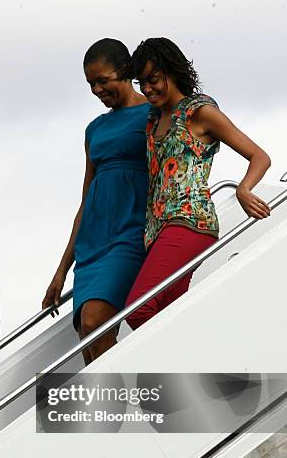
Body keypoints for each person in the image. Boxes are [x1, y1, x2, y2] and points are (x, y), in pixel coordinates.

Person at [125, 37, 271, 329]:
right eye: (142, 82)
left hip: (189, 221)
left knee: (138, 309)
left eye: (153, 79)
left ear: (172, 71)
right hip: (157, 230)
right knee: (169, 317)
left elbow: (259, 156)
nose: (147, 89)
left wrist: (244, 189)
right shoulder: (152, 121)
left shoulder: (199, 112)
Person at [42, 38, 150, 364]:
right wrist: (61, 271)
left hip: (130, 232)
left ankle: (135, 401)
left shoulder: (154, 113)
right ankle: (108, 413)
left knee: (94, 321)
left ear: (126, 71)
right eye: (91, 83)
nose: (97, 90)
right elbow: (85, 199)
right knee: (88, 342)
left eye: (103, 80)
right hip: (93, 242)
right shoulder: (95, 129)